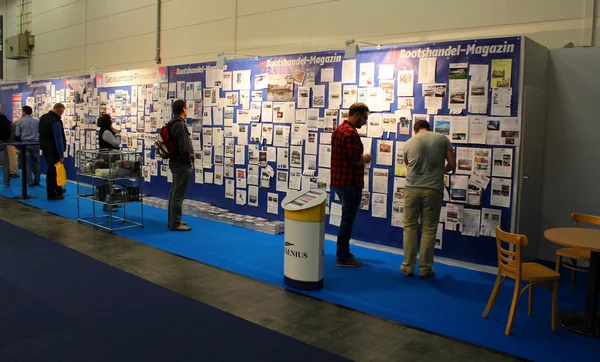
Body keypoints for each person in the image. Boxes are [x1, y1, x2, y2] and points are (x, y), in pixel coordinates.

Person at [401, 120, 456, 278]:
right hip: (433, 189)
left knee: (410, 227)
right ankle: (425, 269)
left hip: (412, 188)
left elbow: (408, 165)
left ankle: (408, 266)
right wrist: (440, 171)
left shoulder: (408, 142)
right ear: (429, 128)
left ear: (415, 129)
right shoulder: (442, 139)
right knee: (429, 229)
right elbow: (452, 164)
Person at [330, 102, 372, 267]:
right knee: (347, 220)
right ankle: (343, 256)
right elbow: (355, 159)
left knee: (345, 219)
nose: (365, 122)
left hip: (339, 181)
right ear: (357, 114)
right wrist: (366, 158)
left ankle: (343, 252)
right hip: (350, 182)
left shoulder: (338, 130)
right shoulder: (350, 133)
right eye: (364, 118)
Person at [167, 99, 194, 231]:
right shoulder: (180, 125)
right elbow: (184, 147)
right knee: (178, 194)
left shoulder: (172, 123)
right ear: (183, 109)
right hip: (182, 164)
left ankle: (173, 220)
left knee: (174, 192)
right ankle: (175, 223)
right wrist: (189, 160)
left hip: (174, 163)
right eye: (187, 108)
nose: (187, 110)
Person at [39, 103, 67, 200]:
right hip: (54, 150)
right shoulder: (56, 121)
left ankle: (58, 189)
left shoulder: (43, 118)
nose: (62, 114)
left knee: (53, 171)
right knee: (52, 173)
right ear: (59, 111)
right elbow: (58, 138)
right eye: (62, 112)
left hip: (45, 149)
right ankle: (51, 194)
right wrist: (61, 154)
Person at [97, 114, 122, 212]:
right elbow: (116, 143)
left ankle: (111, 201)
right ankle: (107, 203)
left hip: (109, 157)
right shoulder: (106, 132)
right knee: (109, 180)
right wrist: (118, 134)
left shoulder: (105, 130)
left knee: (112, 179)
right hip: (108, 157)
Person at [16, 106, 41, 186]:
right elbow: (40, 132)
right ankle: (37, 180)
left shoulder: (20, 122)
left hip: (25, 144)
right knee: (36, 162)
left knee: (27, 163)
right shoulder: (37, 121)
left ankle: (29, 181)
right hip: (35, 143)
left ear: (24, 112)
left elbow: (17, 134)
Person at [0, 109, 10, 187]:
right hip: (2, 142)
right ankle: (6, 183)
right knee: (5, 163)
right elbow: (7, 130)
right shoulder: (3, 118)